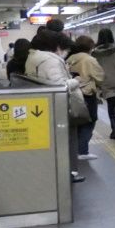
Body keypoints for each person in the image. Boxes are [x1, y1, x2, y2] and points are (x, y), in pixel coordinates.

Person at [25, 27, 85, 183]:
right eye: (64, 49)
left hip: (42, 105)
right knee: (69, 140)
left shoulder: (34, 57)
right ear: (57, 46)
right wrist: (76, 81)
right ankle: (70, 172)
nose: (65, 52)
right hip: (58, 107)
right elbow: (59, 86)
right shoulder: (51, 60)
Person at [67, 35, 104, 160]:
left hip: (72, 94)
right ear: (90, 47)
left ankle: (75, 149)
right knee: (89, 121)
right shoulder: (89, 60)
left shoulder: (70, 58)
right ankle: (82, 151)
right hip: (87, 95)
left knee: (76, 122)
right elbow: (100, 76)